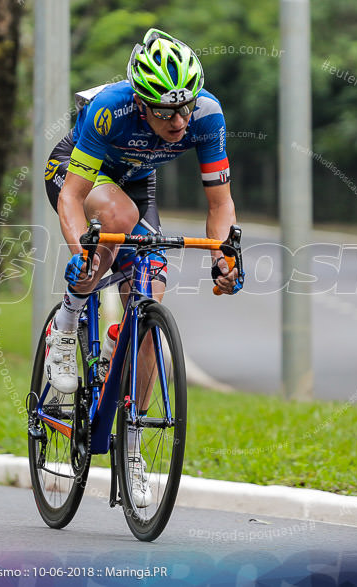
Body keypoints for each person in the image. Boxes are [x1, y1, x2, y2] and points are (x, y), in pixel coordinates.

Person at [43, 28, 241, 506]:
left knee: (149, 300)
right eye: (165, 111)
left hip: (135, 182)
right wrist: (79, 256)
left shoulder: (207, 115)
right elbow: (71, 196)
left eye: (185, 107)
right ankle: (68, 322)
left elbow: (220, 203)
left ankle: (130, 448)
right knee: (117, 221)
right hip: (78, 172)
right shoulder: (111, 109)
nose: (179, 121)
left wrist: (223, 255)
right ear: (141, 101)